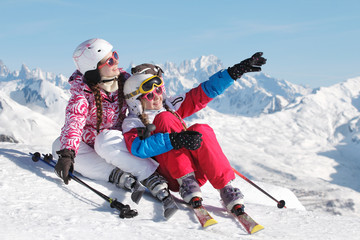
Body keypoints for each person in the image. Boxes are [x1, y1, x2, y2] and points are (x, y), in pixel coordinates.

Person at [121, 53, 266, 215]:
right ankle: (186, 182)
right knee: (164, 118)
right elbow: (138, 148)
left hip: (198, 172)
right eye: (150, 95)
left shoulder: (170, 105)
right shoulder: (133, 122)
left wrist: (234, 72)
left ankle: (226, 188)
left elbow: (201, 93)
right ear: (135, 100)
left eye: (159, 90)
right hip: (173, 177)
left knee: (201, 129)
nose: (157, 97)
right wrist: (173, 140)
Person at [52, 38, 175, 211]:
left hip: (116, 142)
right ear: (94, 69)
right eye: (110, 60)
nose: (117, 61)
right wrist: (67, 154)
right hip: (90, 144)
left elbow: (150, 95)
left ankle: (149, 176)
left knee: (104, 139)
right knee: (58, 145)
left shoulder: (125, 81)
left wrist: (153, 74)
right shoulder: (82, 93)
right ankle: (116, 175)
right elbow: (75, 120)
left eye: (115, 55)